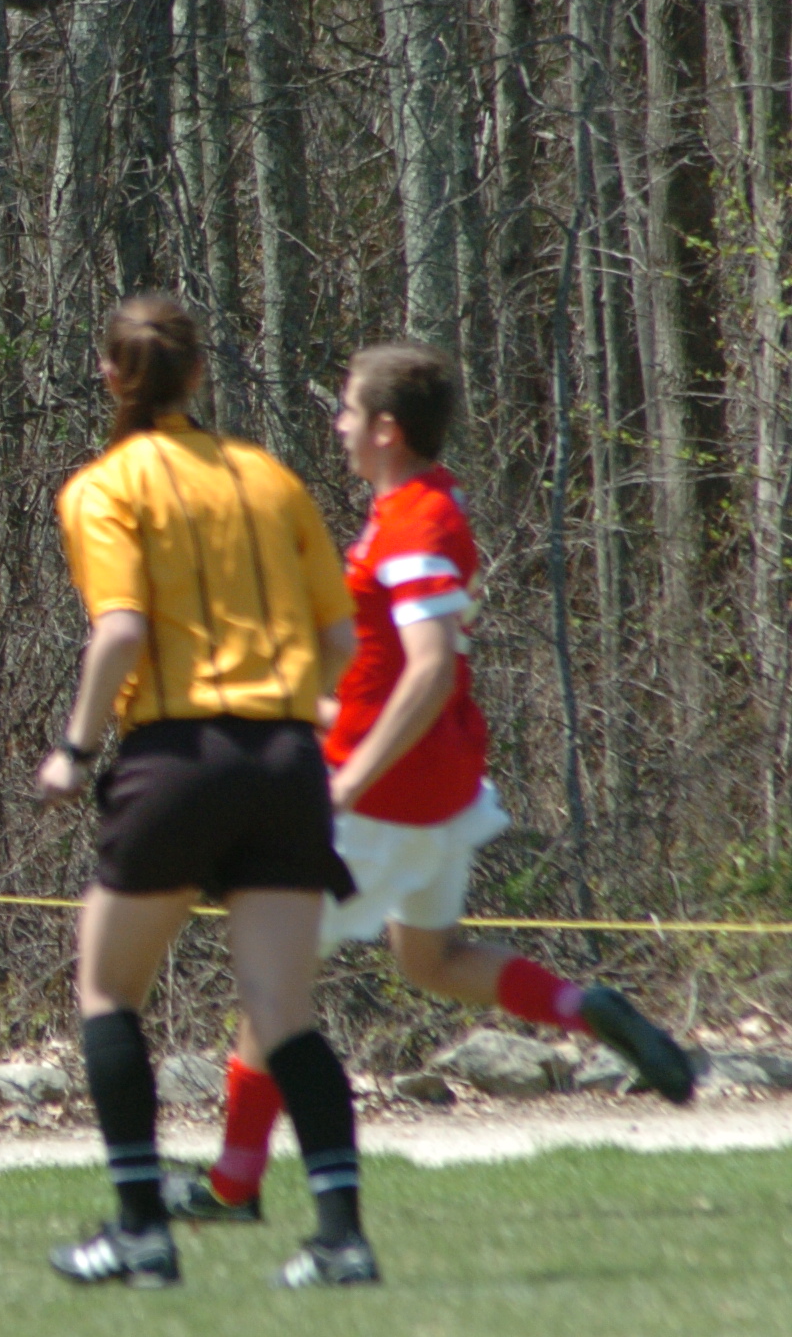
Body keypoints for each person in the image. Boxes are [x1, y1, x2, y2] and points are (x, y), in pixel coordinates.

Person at [170, 343, 692, 1227]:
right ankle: (583, 1005)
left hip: (380, 802)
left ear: (385, 429)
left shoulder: (416, 524)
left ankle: (234, 1186)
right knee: (432, 959)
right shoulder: (418, 509)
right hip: (440, 792)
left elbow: (430, 667)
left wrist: (346, 783)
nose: (336, 426)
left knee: (271, 986)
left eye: (346, 410)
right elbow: (389, 674)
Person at [36, 294, 375, 1290]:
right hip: (286, 761)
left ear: (111, 376)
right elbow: (340, 637)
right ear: (196, 375)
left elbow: (122, 632)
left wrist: (73, 750)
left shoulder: (104, 486)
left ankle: (141, 1232)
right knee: (282, 1013)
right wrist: (292, 711)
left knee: (108, 992)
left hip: (176, 761)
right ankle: (342, 1241)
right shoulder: (269, 478)